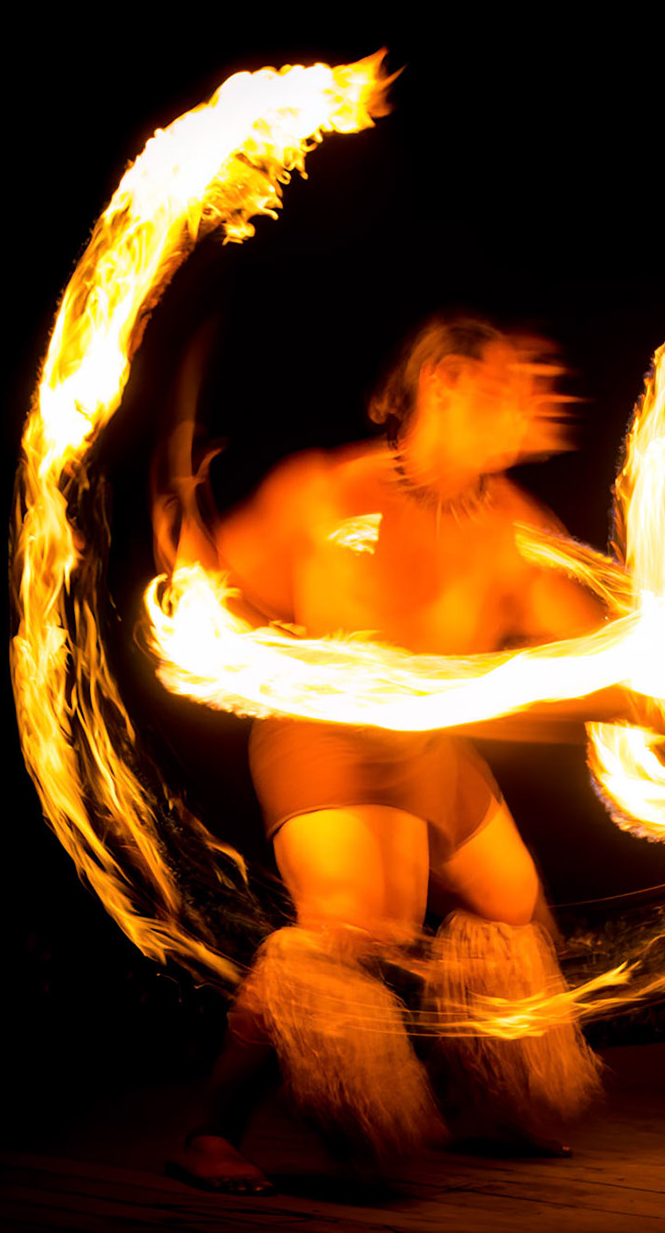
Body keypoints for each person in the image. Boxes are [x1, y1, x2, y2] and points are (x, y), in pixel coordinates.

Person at [168, 314, 619, 1194]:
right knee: (354, 930)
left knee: (508, 900)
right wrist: (195, 570)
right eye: (516, 382)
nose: (543, 402)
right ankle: (209, 1131)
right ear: (446, 382)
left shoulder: (512, 521)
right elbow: (224, 594)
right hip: (328, 739)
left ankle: (480, 1103)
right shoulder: (329, 493)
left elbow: (585, 646)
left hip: (429, 742)